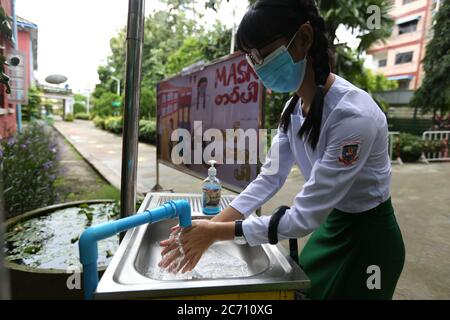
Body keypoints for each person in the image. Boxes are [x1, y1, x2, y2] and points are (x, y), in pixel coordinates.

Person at [159, 0, 405, 300]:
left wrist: (217, 233)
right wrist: (213, 224)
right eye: (250, 57)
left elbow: (302, 219)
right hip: (332, 225)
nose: (257, 65)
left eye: (262, 52)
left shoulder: (354, 117)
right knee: (303, 290)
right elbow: (269, 179)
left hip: (369, 240)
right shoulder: (293, 110)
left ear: (302, 39)